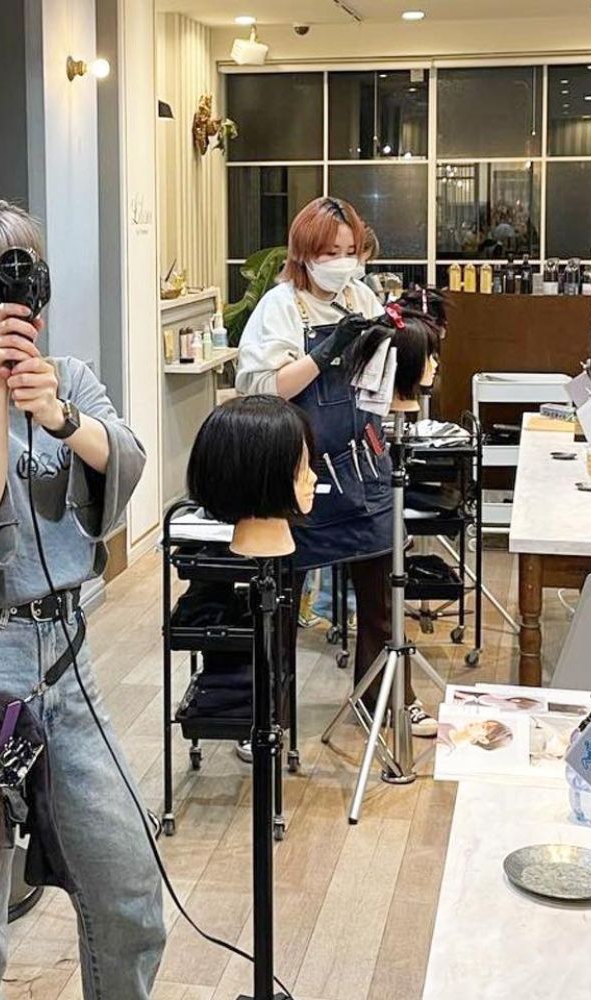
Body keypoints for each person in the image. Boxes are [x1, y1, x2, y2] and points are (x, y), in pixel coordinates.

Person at [0, 197, 162, 1000]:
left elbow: (125, 458)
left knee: (128, 886)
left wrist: (60, 415)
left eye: (11, 274)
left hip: (66, 655)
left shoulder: (68, 378)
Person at [236, 196, 438, 739]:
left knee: (381, 596)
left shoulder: (360, 296)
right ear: (304, 252)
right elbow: (262, 389)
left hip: (363, 465)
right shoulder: (280, 308)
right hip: (295, 475)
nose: (342, 262)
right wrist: (324, 353)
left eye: (351, 251)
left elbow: (378, 382)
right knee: (279, 606)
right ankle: (270, 721)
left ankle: (387, 700)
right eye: (330, 252)